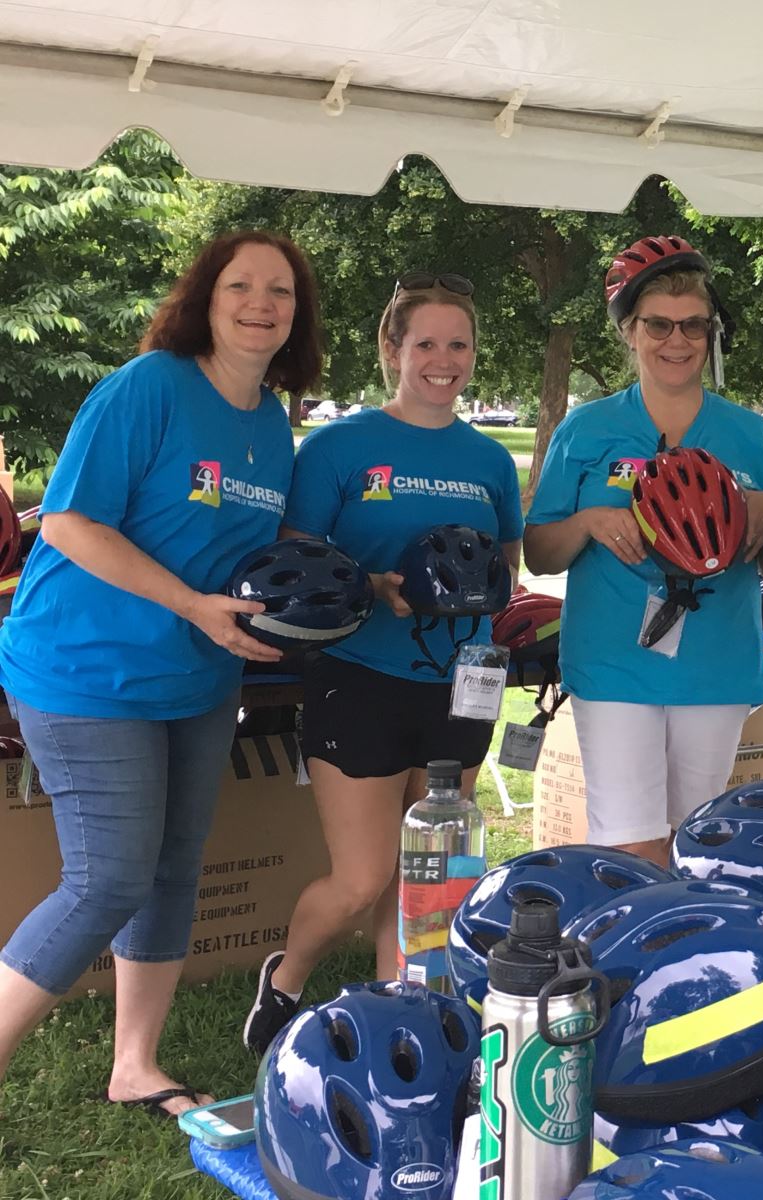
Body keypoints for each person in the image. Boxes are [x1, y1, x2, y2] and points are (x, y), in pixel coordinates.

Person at [0, 231, 321, 1117]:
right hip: (85, 670)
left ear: (299, 314)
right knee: (108, 879)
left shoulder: (267, 420)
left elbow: (245, 544)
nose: (261, 303)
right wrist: (190, 605)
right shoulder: (148, 387)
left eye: (281, 291)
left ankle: (134, 1065)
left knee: (174, 869)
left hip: (195, 677)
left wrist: (340, 581)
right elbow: (65, 525)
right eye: (241, 285)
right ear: (204, 297)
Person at [243, 273, 523, 1054]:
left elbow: (505, 563)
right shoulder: (340, 447)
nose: (443, 359)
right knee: (363, 877)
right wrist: (372, 586)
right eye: (425, 343)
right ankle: (288, 978)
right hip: (358, 677)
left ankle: (400, 1007)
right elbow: (293, 568)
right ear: (393, 350)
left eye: (458, 344)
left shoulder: (490, 461)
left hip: (461, 686)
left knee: (432, 872)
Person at [524, 235, 763, 867]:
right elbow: (539, 554)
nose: (677, 341)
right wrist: (590, 520)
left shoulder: (751, 434)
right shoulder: (586, 430)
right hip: (614, 659)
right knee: (629, 843)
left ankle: (680, 962)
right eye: (659, 325)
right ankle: (627, 961)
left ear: (712, 332)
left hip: (716, 664)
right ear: (629, 331)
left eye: (694, 325)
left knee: (694, 844)